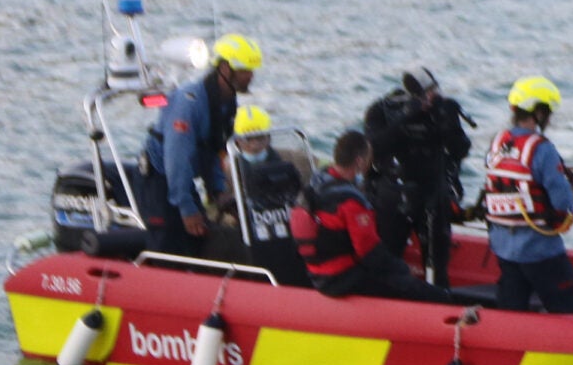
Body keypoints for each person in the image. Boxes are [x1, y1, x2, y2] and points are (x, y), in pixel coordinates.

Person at [291, 131, 475, 305]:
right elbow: (369, 252)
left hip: (318, 274)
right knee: (421, 291)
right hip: (342, 279)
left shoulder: (317, 183)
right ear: (359, 161)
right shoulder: (350, 202)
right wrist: (401, 270)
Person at [477, 76, 573, 313]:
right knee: (570, 308)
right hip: (540, 250)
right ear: (538, 112)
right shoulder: (542, 148)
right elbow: (562, 202)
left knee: (511, 310)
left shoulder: (498, 142)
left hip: (503, 248)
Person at [139, 34, 261, 256]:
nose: (250, 76)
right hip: (161, 178)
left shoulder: (227, 102)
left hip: (183, 179)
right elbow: (177, 158)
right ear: (225, 69)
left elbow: (215, 148)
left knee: (201, 236)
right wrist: (186, 208)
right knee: (169, 242)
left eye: (252, 70)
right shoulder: (189, 103)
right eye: (245, 70)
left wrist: (218, 190)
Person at [361, 64, 475, 288]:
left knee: (437, 264)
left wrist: (449, 123)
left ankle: (438, 303)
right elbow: (372, 148)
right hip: (394, 194)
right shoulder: (383, 111)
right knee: (387, 260)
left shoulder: (440, 111)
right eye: (426, 93)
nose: (431, 98)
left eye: (434, 91)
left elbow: (459, 150)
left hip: (433, 193)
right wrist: (405, 119)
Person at [224, 105, 312, 288]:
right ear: (238, 142)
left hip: (285, 227)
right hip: (252, 231)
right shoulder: (229, 167)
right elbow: (223, 200)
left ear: (269, 138)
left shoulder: (290, 160)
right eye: (249, 139)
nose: (255, 144)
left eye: (260, 138)